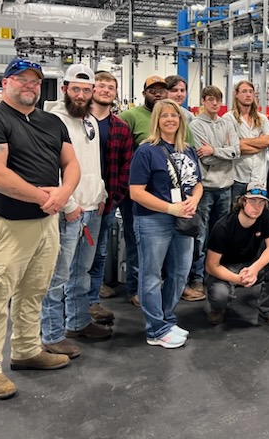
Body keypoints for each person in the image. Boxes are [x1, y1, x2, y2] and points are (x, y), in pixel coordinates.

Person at [0, 57, 80, 400]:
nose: (29, 86)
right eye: (21, 80)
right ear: (6, 84)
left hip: (46, 224)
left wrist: (62, 194)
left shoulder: (52, 123)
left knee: (34, 292)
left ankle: (27, 351)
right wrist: (44, 198)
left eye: (35, 81)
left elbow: (72, 163)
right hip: (7, 225)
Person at [41, 64, 111, 358]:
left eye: (86, 89)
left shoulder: (91, 121)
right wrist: (69, 204)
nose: (81, 95)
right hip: (68, 212)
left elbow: (92, 163)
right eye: (75, 89)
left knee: (81, 272)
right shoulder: (52, 121)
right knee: (57, 276)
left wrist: (102, 193)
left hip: (93, 207)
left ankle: (78, 322)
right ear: (64, 89)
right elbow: (50, 168)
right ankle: (52, 335)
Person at [129, 99, 203, 348]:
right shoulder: (146, 151)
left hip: (184, 219)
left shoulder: (188, 149)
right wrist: (170, 208)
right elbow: (136, 192)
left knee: (180, 272)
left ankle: (168, 320)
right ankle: (155, 329)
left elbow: (198, 182)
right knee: (151, 276)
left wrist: (194, 200)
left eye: (175, 115)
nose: (170, 119)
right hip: (154, 220)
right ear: (156, 121)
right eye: (165, 116)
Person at [204, 183, 269, 329]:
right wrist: (238, 279)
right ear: (243, 201)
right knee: (219, 295)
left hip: (251, 264)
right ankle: (218, 308)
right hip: (226, 268)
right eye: (252, 201)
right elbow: (211, 266)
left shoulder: (265, 216)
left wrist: (254, 268)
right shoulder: (223, 227)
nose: (257, 206)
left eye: (261, 202)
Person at [185, 85, 240, 302]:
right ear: (203, 101)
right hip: (206, 188)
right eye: (210, 99)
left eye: (218, 99)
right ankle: (197, 277)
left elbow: (236, 151)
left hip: (226, 186)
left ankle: (215, 274)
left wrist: (215, 150)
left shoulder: (227, 123)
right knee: (200, 235)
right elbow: (204, 158)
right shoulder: (196, 125)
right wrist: (223, 152)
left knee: (221, 235)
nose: (215, 103)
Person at [87, 70, 133, 324]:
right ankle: (69, 304)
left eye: (110, 87)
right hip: (76, 203)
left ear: (116, 94)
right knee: (69, 257)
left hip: (105, 205)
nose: (105, 90)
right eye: (101, 85)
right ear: (92, 89)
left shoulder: (121, 128)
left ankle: (92, 302)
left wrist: (114, 198)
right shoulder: (76, 122)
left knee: (98, 256)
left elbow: (127, 166)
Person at [118, 75, 168, 307]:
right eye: (153, 90)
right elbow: (118, 150)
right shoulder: (130, 116)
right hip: (137, 193)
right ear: (144, 92)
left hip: (164, 194)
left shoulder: (170, 115)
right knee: (136, 241)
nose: (158, 94)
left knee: (159, 244)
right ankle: (135, 288)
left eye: (162, 90)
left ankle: (155, 286)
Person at [224, 79, 269, 203]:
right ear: (236, 94)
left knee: (258, 213)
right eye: (244, 91)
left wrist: (243, 141)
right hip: (239, 177)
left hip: (259, 178)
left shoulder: (262, 118)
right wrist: (259, 142)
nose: (248, 95)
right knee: (236, 214)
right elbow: (235, 147)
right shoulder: (228, 118)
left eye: (251, 92)